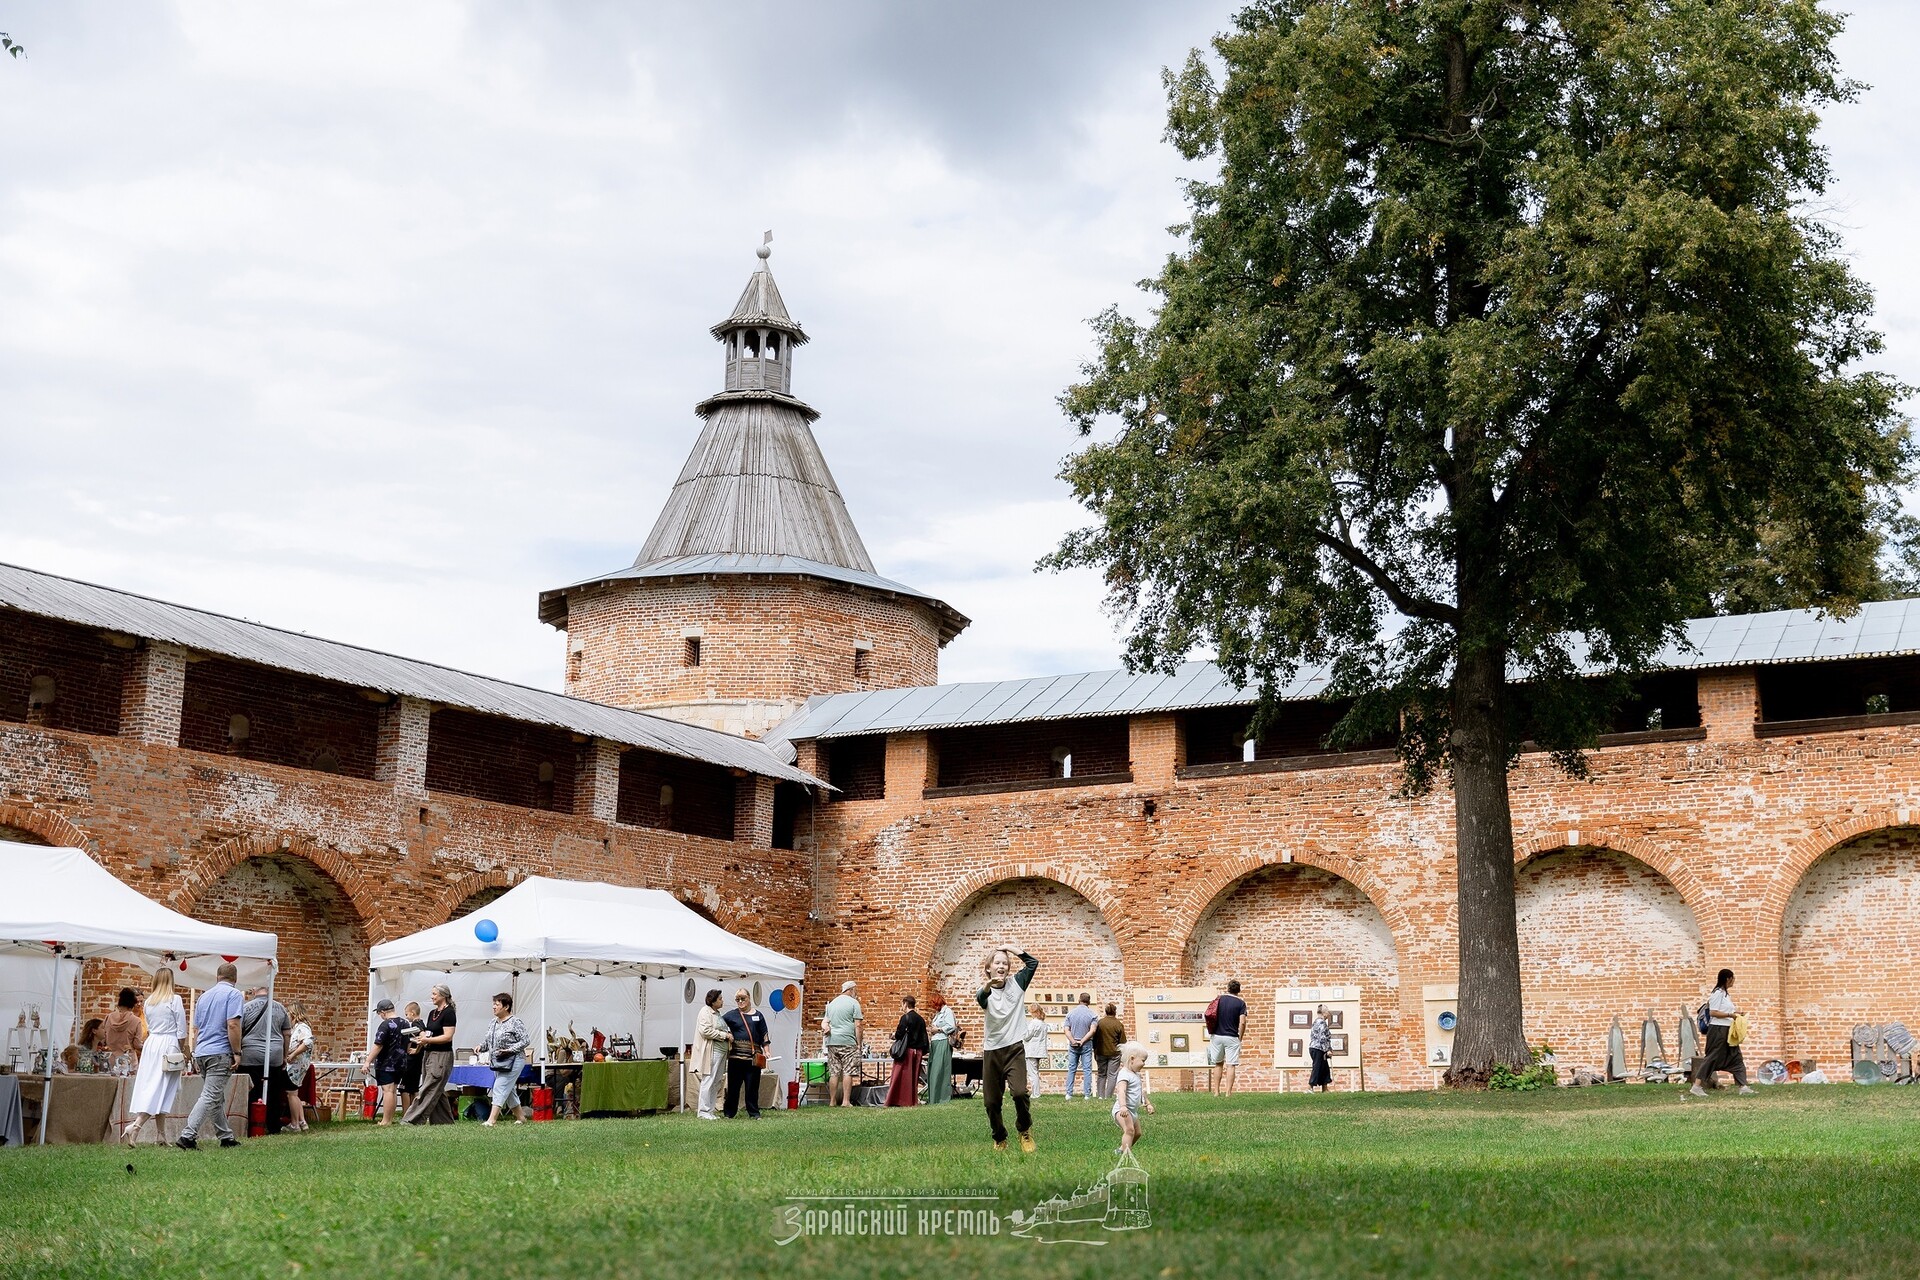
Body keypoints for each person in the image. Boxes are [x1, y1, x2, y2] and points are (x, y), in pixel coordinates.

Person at [976, 942, 1038, 1152]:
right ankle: (999, 1137)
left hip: (1014, 1048)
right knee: (991, 1102)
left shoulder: (1017, 983)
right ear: (989, 967)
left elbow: (1032, 963)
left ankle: (1025, 1130)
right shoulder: (984, 991)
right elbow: (981, 997)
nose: (1001, 966)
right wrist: (989, 985)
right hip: (992, 1051)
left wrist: (1010, 947)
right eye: (997, 962)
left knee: (1020, 1093)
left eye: (1005, 963)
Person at [177, 960, 244, 1150]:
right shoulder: (234, 994)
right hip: (220, 1051)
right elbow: (233, 1025)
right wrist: (237, 1052)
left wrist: (196, 1051)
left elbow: (196, 1029)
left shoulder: (203, 997)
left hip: (203, 1051)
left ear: (217, 977)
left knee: (216, 1098)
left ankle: (226, 1137)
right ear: (235, 979)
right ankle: (187, 1136)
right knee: (210, 1095)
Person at [124, 966, 186, 1146]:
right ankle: (135, 1126)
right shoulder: (175, 1000)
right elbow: (181, 1029)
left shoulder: (149, 1001)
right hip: (169, 1043)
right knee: (161, 1089)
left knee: (159, 1088)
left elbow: (150, 1026)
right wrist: (180, 1051)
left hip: (152, 1044)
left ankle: (161, 1135)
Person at [1690, 969, 1755, 1097]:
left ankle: (1743, 1086)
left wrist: (1736, 1014)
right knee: (1712, 1057)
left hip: (1727, 1029)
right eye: (1733, 978)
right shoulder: (1717, 993)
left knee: (1736, 1056)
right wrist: (1731, 1015)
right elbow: (1713, 1013)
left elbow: (1725, 1012)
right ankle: (1696, 1086)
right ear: (1727, 979)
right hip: (1718, 1030)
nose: (1734, 981)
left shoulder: (1726, 994)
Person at [238, 985, 291, 1134]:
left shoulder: (245, 1007)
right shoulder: (280, 1008)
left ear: (254, 990)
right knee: (273, 1092)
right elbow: (287, 1034)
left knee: (251, 1092)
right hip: (274, 1055)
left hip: (250, 1055)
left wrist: (237, 1051)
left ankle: (252, 1125)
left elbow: (238, 1030)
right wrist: (284, 1055)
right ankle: (273, 1126)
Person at [403, 985, 458, 1125]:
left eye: (434, 994)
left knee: (429, 1087)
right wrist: (420, 1046)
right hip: (428, 1054)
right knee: (436, 1089)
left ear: (443, 995)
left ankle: (411, 1119)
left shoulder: (449, 1013)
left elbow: (448, 1037)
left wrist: (428, 1040)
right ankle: (444, 1122)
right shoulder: (432, 1013)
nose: (432, 996)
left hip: (441, 1056)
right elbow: (429, 1034)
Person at [474, 991, 530, 1126]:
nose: (494, 1007)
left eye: (497, 1004)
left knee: (499, 1086)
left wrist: (509, 1050)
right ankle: (521, 1117)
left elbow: (525, 1041)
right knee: (509, 1090)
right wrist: (481, 1047)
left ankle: (491, 1120)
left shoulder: (515, 1022)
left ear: (506, 1006)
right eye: (493, 1004)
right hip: (498, 1061)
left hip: (514, 1059)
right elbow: (488, 1042)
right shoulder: (493, 1023)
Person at [721, 987, 770, 1119]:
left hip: (753, 1059)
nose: (740, 1001)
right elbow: (719, 1024)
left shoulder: (758, 1015)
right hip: (736, 1058)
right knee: (733, 1087)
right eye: (738, 999)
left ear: (749, 999)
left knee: (752, 1087)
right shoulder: (731, 1015)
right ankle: (729, 1113)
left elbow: (764, 1034)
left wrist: (767, 1051)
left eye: (743, 998)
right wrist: (726, 1035)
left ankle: (754, 1113)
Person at [821, 979, 862, 1107]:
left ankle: (832, 1101)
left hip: (832, 1041)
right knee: (848, 1071)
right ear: (851, 990)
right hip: (848, 1041)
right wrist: (859, 1043)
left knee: (834, 1072)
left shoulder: (832, 1004)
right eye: (855, 990)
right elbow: (858, 1025)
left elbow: (825, 1022)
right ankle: (845, 1101)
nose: (856, 992)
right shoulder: (854, 1003)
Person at [370, 998, 410, 1126]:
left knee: (387, 1091)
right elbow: (408, 1044)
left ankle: (386, 1120)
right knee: (393, 1090)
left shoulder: (385, 1024)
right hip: (401, 1063)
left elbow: (378, 1045)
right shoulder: (405, 1023)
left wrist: (367, 1061)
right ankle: (390, 1119)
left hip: (387, 1063)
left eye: (379, 1013)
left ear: (383, 1012)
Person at [691, 989, 731, 1120]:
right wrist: (724, 1035)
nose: (722, 1000)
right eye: (720, 999)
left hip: (721, 1052)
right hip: (712, 1051)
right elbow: (705, 1030)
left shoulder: (718, 1014)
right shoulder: (705, 1011)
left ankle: (710, 1110)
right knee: (708, 1080)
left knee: (716, 1081)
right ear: (712, 1001)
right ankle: (703, 1111)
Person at [884, 996, 929, 1107]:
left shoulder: (906, 1018)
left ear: (905, 1004)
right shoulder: (921, 1019)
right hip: (917, 1052)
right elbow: (924, 1038)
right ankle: (912, 1101)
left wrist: (894, 1035)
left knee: (900, 1076)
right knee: (913, 1078)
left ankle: (897, 1100)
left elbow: (900, 1034)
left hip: (906, 1051)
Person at [1112, 1042, 1153, 1157]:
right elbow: (1121, 1091)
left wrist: (1148, 1103)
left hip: (1132, 1111)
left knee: (1137, 1133)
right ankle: (1126, 1154)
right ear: (1132, 1059)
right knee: (1129, 1130)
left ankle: (1120, 1150)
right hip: (1123, 1110)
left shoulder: (1135, 1074)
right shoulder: (1124, 1074)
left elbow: (1141, 1091)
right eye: (1143, 1060)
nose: (1144, 1064)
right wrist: (1123, 1107)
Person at [1210, 980, 1248, 1097]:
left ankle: (1216, 1091)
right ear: (1239, 990)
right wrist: (1240, 1037)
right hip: (1231, 1036)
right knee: (1231, 1065)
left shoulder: (1218, 1000)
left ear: (1228, 988)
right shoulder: (1240, 1003)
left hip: (1217, 1035)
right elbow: (1242, 1022)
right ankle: (1228, 1092)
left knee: (1218, 1063)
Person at [283, 1001, 315, 1134]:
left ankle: (295, 1123)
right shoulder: (297, 1027)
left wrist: (293, 1054)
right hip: (296, 1062)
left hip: (296, 1063)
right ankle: (302, 1121)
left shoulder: (302, 1027)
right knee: (294, 1093)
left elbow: (308, 1042)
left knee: (292, 1094)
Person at [1064, 992, 1098, 1100]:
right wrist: (1082, 1040)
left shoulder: (1070, 1014)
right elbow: (1092, 1030)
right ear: (1089, 1002)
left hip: (1073, 1045)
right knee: (1087, 1069)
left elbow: (1066, 1030)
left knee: (1071, 1068)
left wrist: (1073, 1040)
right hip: (1086, 1044)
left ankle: (1069, 1093)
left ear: (1079, 1000)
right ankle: (1087, 1094)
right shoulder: (1092, 1015)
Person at [925, 995, 958, 1104]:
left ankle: (941, 1098)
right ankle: (934, 1098)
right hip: (935, 1042)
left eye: (933, 1004)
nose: (933, 1007)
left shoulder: (947, 1011)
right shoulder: (938, 1014)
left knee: (940, 1070)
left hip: (942, 1042)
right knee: (933, 1071)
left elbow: (952, 1026)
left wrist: (938, 1029)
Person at [99, 989, 147, 1061]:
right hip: (129, 1060)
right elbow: (137, 1044)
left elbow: (103, 1040)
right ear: (132, 1003)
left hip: (111, 1059)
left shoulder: (108, 1018)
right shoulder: (136, 1021)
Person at [398, 1000, 427, 1113]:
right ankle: (414, 1112)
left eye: (406, 1014)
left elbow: (422, 1037)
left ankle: (406, 1113)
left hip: (412, 1061)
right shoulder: (422, 1023)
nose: (406, 1017)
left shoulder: (416, 1024)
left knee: (404, 1088)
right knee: (414, 1087)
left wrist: (416, 1049)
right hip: (418, 1061)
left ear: (413, 1013)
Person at [1094, 1002, 1127, 1100]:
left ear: (1106, 1011)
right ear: (1115, 1012)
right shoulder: (1118, 1024)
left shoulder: (1100, 1023)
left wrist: (1095, 1050)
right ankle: (1108, 1096)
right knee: (1112, 1075)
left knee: (1101, 1074)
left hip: (1100, 1052)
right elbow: (1122, 1042)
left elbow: (1094, 1038)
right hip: (1114, 1053)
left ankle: (1100, 1095)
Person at [1023, 1003, 1051, 1098]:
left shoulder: (1034, 1023)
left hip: (1031, 1050)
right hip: (1039, 1050)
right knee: (1035, 1071)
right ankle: (1036, 1092)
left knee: (1032, 1073)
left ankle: (1036, 1094)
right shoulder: (1043, 1023)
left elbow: (1026, 1037)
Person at [1307, 1003, 1333, 1092]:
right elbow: (1322, 1037)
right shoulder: (1322, 1023)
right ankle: (1310, 1087)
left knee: (1324, 1067)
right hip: (1319, 1048)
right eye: (1328, 1012)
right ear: (1324, 1013)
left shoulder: (1315, 1022)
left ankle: (1325, 1088)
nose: (1328, 1014)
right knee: (1317, 1067)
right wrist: (1328, 1050)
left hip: (1314, 1047)